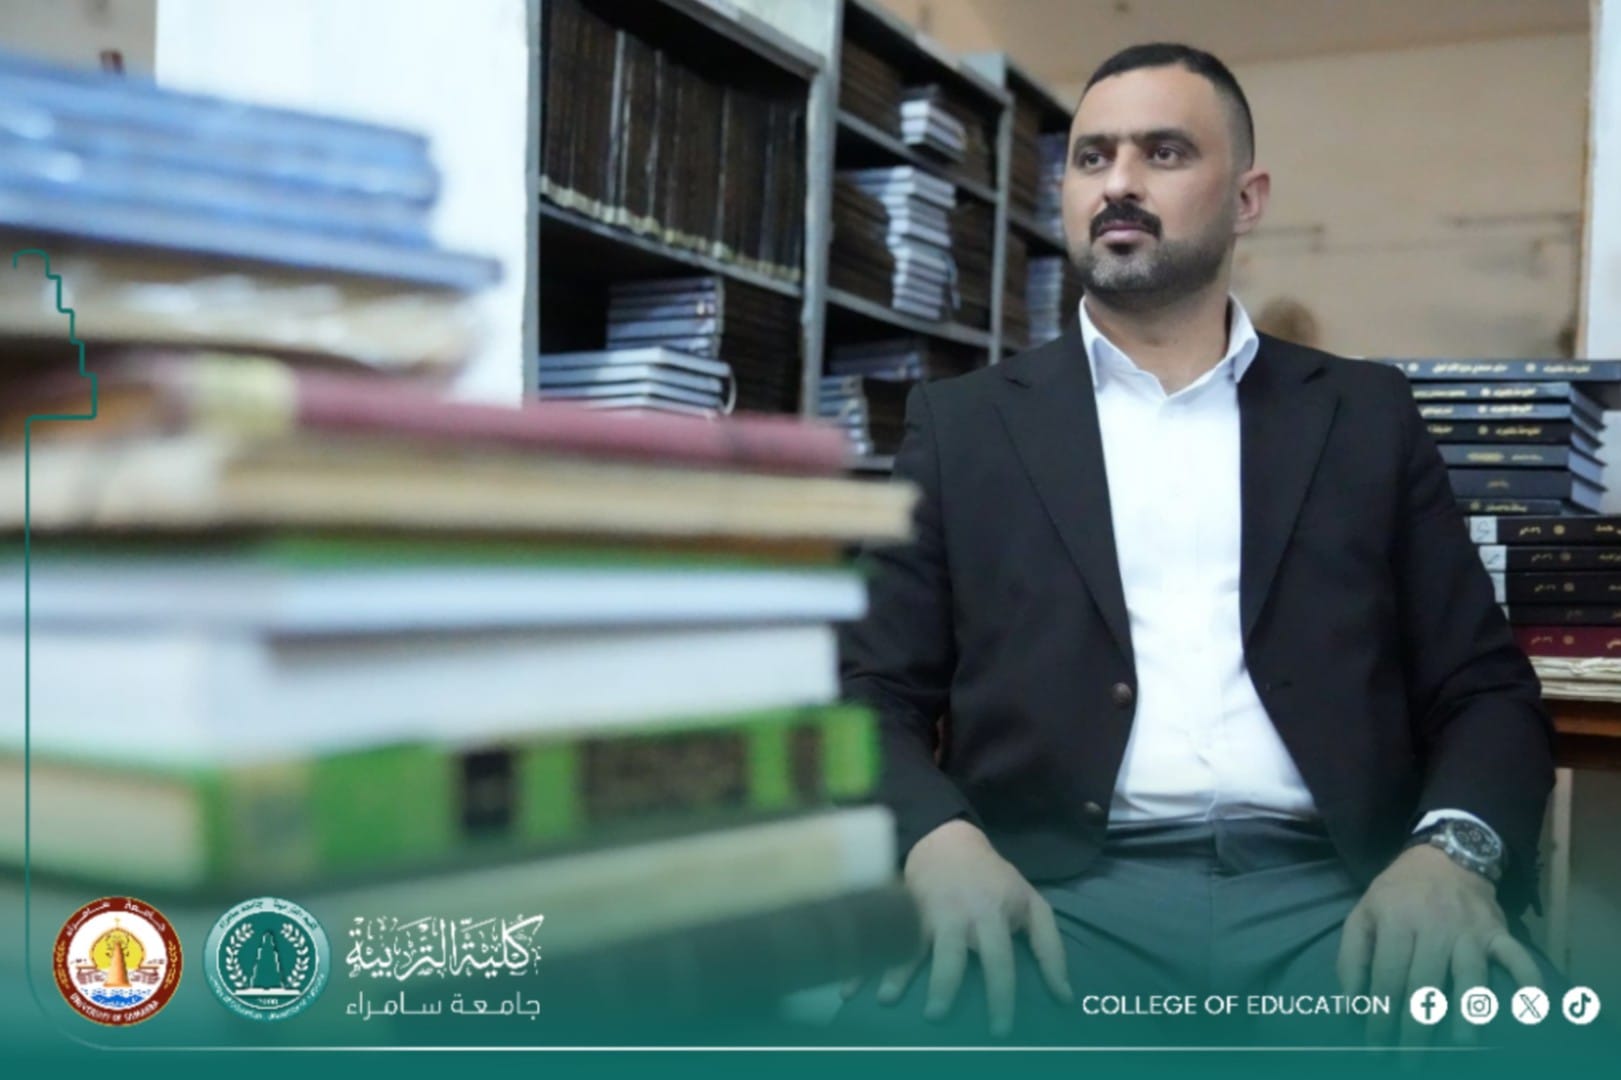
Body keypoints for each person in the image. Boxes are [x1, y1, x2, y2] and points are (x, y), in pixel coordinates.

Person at [833, 43, 1558, 1049]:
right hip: (1049, 897)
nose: (1117, 183)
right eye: (1091, 158)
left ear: (1247, 199)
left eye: (1163, 152)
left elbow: (1483, 690)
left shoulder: (1363, 416)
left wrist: (1450, 857)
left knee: (1520, 1043)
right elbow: (867, 689)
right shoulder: (963, 427)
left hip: (1344, 894)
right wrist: (937, 843)